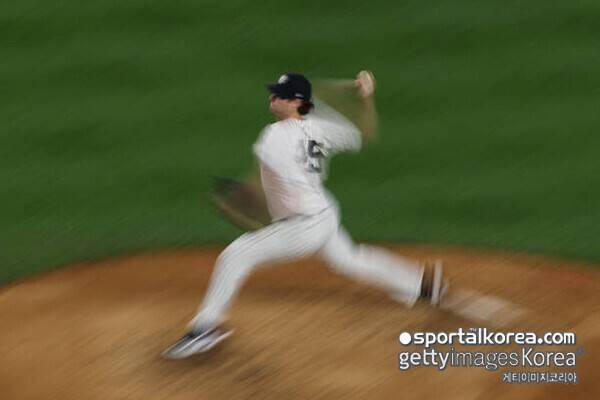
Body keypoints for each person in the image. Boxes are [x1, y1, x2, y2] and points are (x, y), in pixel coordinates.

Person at [162, 71, 447, 359]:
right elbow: (365, 133)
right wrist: (366, 97)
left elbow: (261, 186)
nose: (273, 98)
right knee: (349, 259)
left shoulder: (273, 135)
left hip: (302, 227)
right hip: (324, 213)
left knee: (234, 256)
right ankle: (419, 285)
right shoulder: (320, 127)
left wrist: (243, 200)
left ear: (297, 102)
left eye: (281, 95)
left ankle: (205, 328)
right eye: (274, 93)